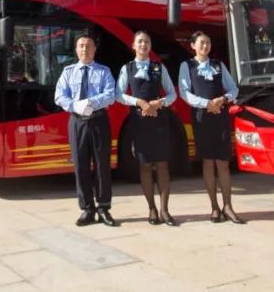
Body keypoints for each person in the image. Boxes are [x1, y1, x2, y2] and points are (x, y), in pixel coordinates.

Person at [178, 31, 244, 224]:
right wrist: (207, 104)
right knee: (208, 162)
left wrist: (223, 99)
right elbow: (184, 93)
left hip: (220, 116)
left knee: (223, 162)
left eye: (208, 42)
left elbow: (233, 89)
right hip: (202, 117)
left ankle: (228, 206)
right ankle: (214, 207)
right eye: (201, 43)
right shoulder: (187, 66)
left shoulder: (218, 65)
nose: (205, 46)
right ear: (193, 45)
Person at [54, 34, 118, 227]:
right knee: (80, 165)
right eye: (81, 46)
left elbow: (110, 94)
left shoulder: (104, 71)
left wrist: (90, 102)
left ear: (94, 49)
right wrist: (75, 106)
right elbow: (59, 96)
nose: (84, 49)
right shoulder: (68, 72)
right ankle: (87, 209)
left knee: (101, 165)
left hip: (99, 121)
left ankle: (103, 208)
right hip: (77, 122)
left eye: (88, 46)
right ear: (76, 50)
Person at [116, 31, 178, 226]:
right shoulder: (127, 68)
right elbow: (118, 94)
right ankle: (151, 209)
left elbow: (172, 94)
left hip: (159, 120)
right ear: (134, 45)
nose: (143, 45)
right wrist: (139, 102)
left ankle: (165, 210)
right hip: (139, 120)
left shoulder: (159, 67)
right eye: (140, 41)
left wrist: (159, 103)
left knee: (162, 165)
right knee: (144, 166)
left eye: (147, 41)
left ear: (150, 46)